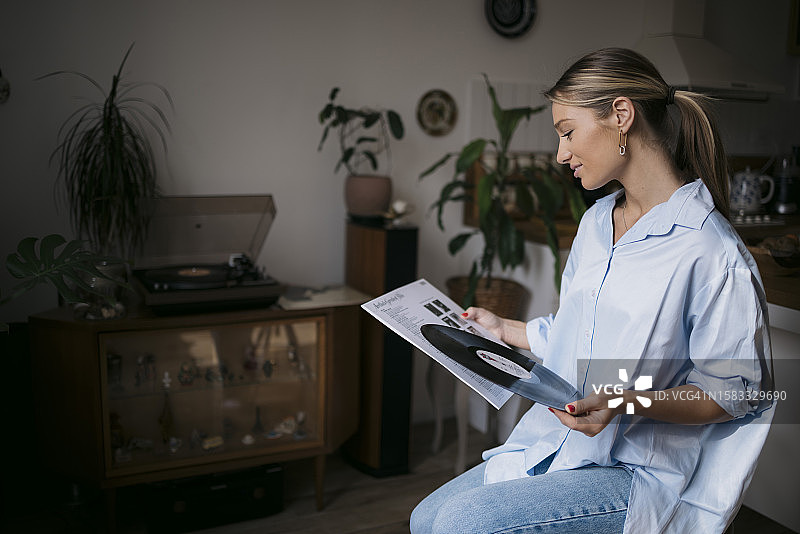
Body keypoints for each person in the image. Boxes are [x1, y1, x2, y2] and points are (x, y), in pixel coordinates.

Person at [410, 48, 775, 534]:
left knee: (461, 523)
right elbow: (584, 329)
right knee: (425, 519)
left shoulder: (711, 251)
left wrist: (627, 401)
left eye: (567, 132)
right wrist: (506, 330)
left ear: (621, 115)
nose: (560, 153)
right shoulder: (598, 222)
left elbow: (736, 392)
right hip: (561, 443)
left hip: (637, 472)